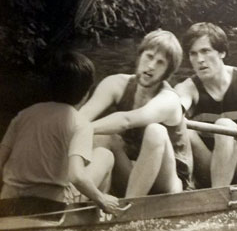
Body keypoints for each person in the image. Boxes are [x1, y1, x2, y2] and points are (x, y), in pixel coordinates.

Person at [0, 51, 121, 217]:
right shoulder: (80, 123)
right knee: (105, 155)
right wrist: (102, 199)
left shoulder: (24, 115)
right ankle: (99, 216)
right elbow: (76, 176)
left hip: (8, 203)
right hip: (49, 207)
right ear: (86, 94)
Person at [80, 30, 193, 198]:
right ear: (139, 56)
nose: (151, 66)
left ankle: (129, 209)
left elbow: (126, 120)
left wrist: (82, 129)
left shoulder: (168, 99)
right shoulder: (115, 83)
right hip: (134, 173)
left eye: (160, 63)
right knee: (103, 138)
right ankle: (75, 194)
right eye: (149, 57)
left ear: (167, 72)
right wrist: (72, 128)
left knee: (156, 131)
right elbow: (81, 118)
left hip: (169, 184)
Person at [174, 22, 237, 188]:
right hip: (211, 166)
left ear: (222, 52)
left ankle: (217, 195)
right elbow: (175, 110)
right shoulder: (186, 88)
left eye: (205, 51)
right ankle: (207, 190)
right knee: (184, 129)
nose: (200, 60)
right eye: (193, 54)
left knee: (225, 125)